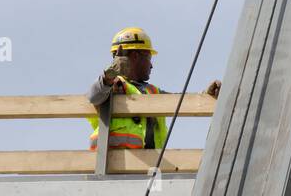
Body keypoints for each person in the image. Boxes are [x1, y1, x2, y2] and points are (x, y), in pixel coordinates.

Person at [87, 26, 220, 150]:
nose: (151, 65)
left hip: (149, 167)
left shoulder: (152, 92)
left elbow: (182, 102)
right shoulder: (113, 85)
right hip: (115, 166)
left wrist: (206, 95)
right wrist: (110, 75)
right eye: (149, 58)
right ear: (135, 56)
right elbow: (93, 96)